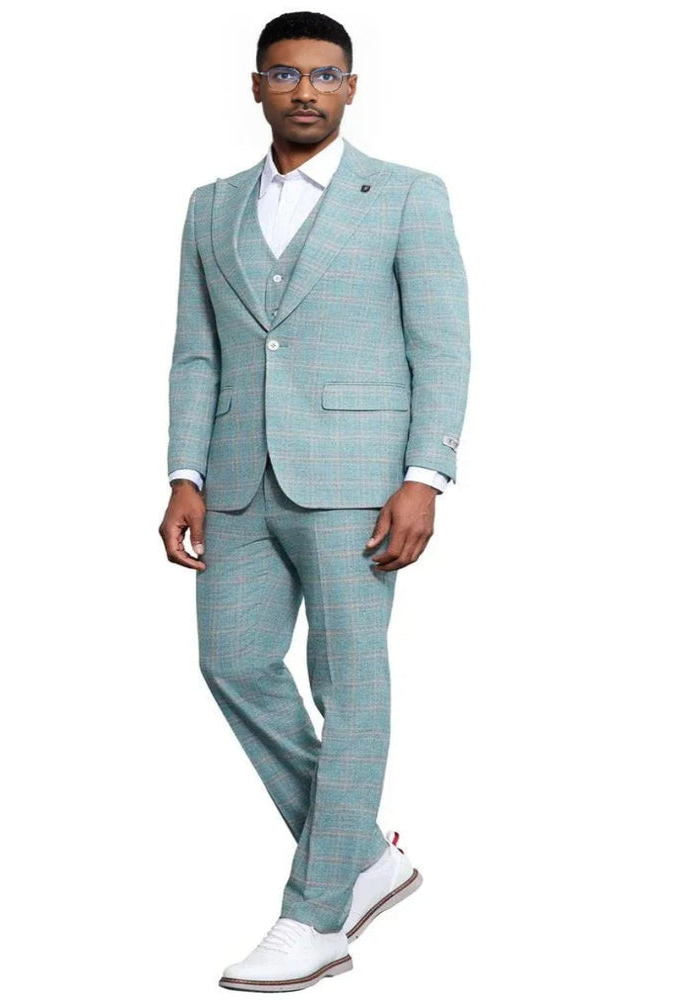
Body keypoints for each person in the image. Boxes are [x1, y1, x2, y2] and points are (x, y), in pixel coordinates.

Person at [159, 11, 470, 992]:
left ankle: (315, 914)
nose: (305, 90)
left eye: (324, 75)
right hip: (235, 479)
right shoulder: (211, 206)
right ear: (256, 85)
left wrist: (425, 475)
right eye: (286, 74)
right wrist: (184, 473)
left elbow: (442, 343)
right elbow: (197, 351)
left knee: (348, 682)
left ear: (351, 87)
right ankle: (361, 853)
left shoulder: (407, 194)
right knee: (232, 661)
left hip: (358, 478)